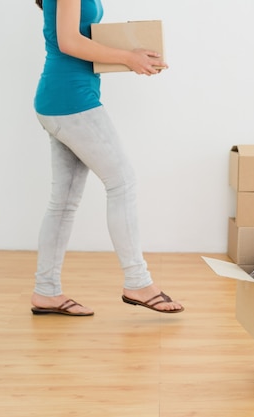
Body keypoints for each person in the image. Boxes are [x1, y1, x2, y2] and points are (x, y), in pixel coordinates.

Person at [30, 0, 183, 315]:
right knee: (122, 182)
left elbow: (81, 38)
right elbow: (68, 41)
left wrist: (133, 56)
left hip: (61, 99)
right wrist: (128, 56)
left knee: (63, 202)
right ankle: (138, 282)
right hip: (71, 100)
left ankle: (46, 292)